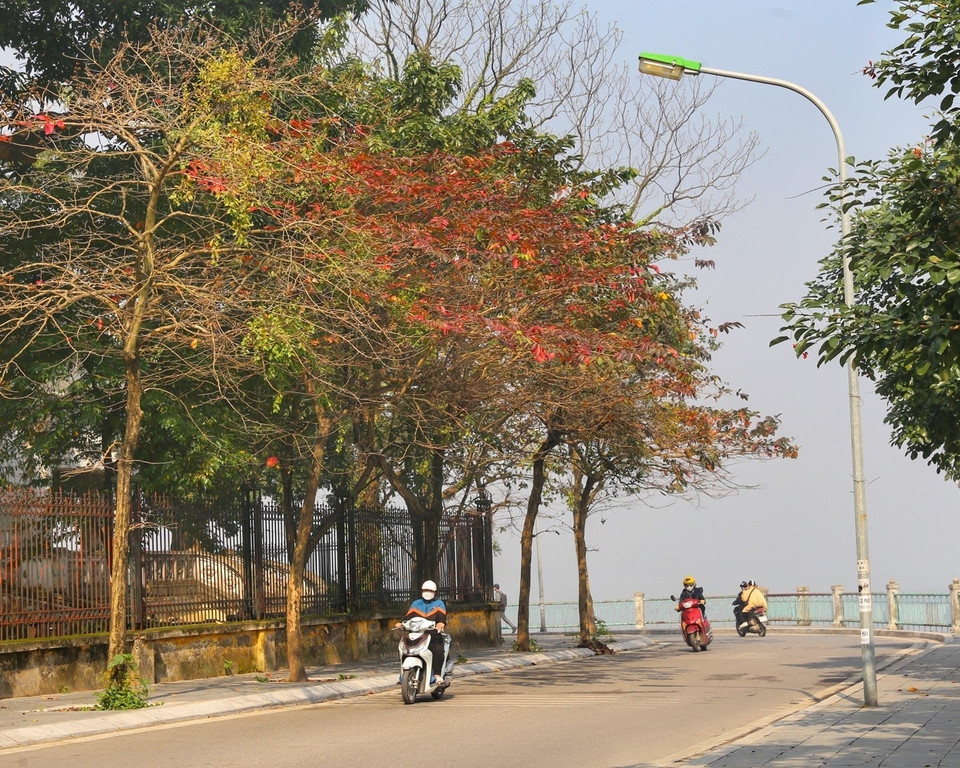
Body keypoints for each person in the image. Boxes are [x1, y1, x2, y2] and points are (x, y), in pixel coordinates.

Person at [396, 579, 448, 683]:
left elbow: (442, 618)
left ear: (435, 592)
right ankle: (404, 674)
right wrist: (401, 623)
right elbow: (407, 617)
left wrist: (440, 624)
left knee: (438, 649)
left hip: (433, 635)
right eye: (425, 590)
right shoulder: (416, 604)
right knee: (403, 649)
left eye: (430, 590)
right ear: (422, 591)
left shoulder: (439, 604)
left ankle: (437, 674)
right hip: (416, 634)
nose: (427, 592)